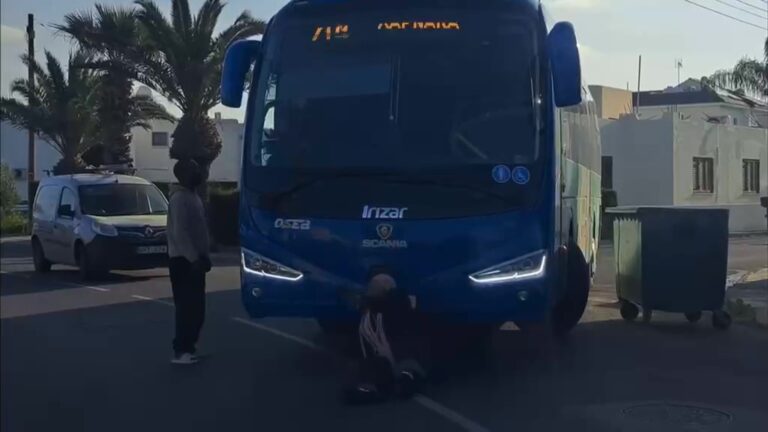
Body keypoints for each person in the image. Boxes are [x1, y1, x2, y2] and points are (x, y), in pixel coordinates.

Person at [344, 273, 427, 405]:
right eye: (371, 287)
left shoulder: (399, 305)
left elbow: (394, 305)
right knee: (369, 370)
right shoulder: (369, 311)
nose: (371, 289)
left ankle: (405, 381)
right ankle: (372, 388)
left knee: (407, 370)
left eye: (375, 287)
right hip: (382, 360)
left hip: (403, 356)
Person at [166, 159, 212, 365]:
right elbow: (180, 233)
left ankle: (189, 347)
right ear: (182, 175)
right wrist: (194, 259)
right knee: (187, 308)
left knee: (197, 309)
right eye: (192, 169)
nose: (197, 172)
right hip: (183, 261)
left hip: (196, 261)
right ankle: (181, 350)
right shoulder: (179, 199)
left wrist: (205, 256)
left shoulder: (193, 197)